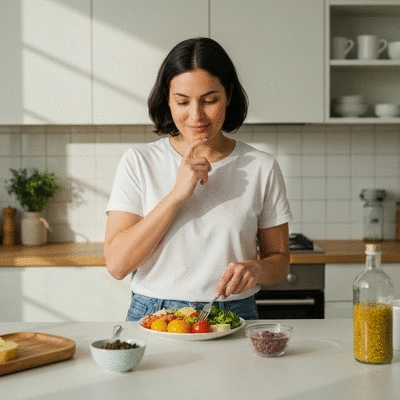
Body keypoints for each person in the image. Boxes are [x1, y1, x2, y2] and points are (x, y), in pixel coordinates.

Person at [104, 37, 292, 321]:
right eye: (182, 101)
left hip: (234, 312)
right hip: (155, 313)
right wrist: (177, 194)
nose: (196, 115)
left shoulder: (261, 167)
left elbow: (279, 262)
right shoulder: (139, 162)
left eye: (210, 100)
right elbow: (118, 265)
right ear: (167, 100)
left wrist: (255, 269)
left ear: (228, 95)